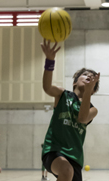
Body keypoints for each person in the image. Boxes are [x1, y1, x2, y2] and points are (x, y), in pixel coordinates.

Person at [40, 39, 100, 181]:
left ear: (93, 89)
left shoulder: (93, 110)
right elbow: (47, 87)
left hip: (75, 158)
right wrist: (50, 61)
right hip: (54, 151)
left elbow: (82, 118)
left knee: (68, 171)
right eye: (85, 75)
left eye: (92, 78)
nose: (89, 77)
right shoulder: (63, 95)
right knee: (66, 170)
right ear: (75, 81)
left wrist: (87, 94)